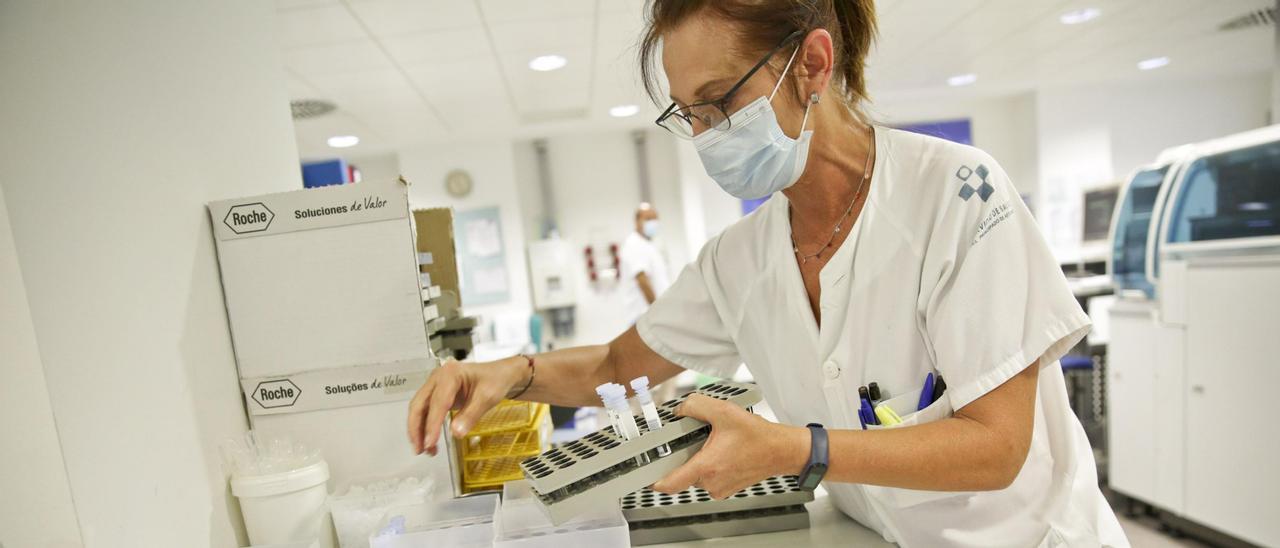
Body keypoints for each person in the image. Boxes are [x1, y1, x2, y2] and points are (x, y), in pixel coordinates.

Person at [408, 1, 1127, 545]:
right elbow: (617, 360)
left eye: (720, 101)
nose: (705, 135)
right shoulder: (740, 259)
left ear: (812, 65)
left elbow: (997, 448)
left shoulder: (957, 195)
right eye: (687, 114)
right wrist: (510, 374)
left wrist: (796, 449)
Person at [619, 203, 671, 326]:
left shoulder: (648, 245)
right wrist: (656, 312)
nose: (652, 222)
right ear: (637, 221)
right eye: (648, 219)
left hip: (651, 316)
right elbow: (642, 281)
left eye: (655, 219)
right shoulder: (634, 244)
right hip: (644, 317)